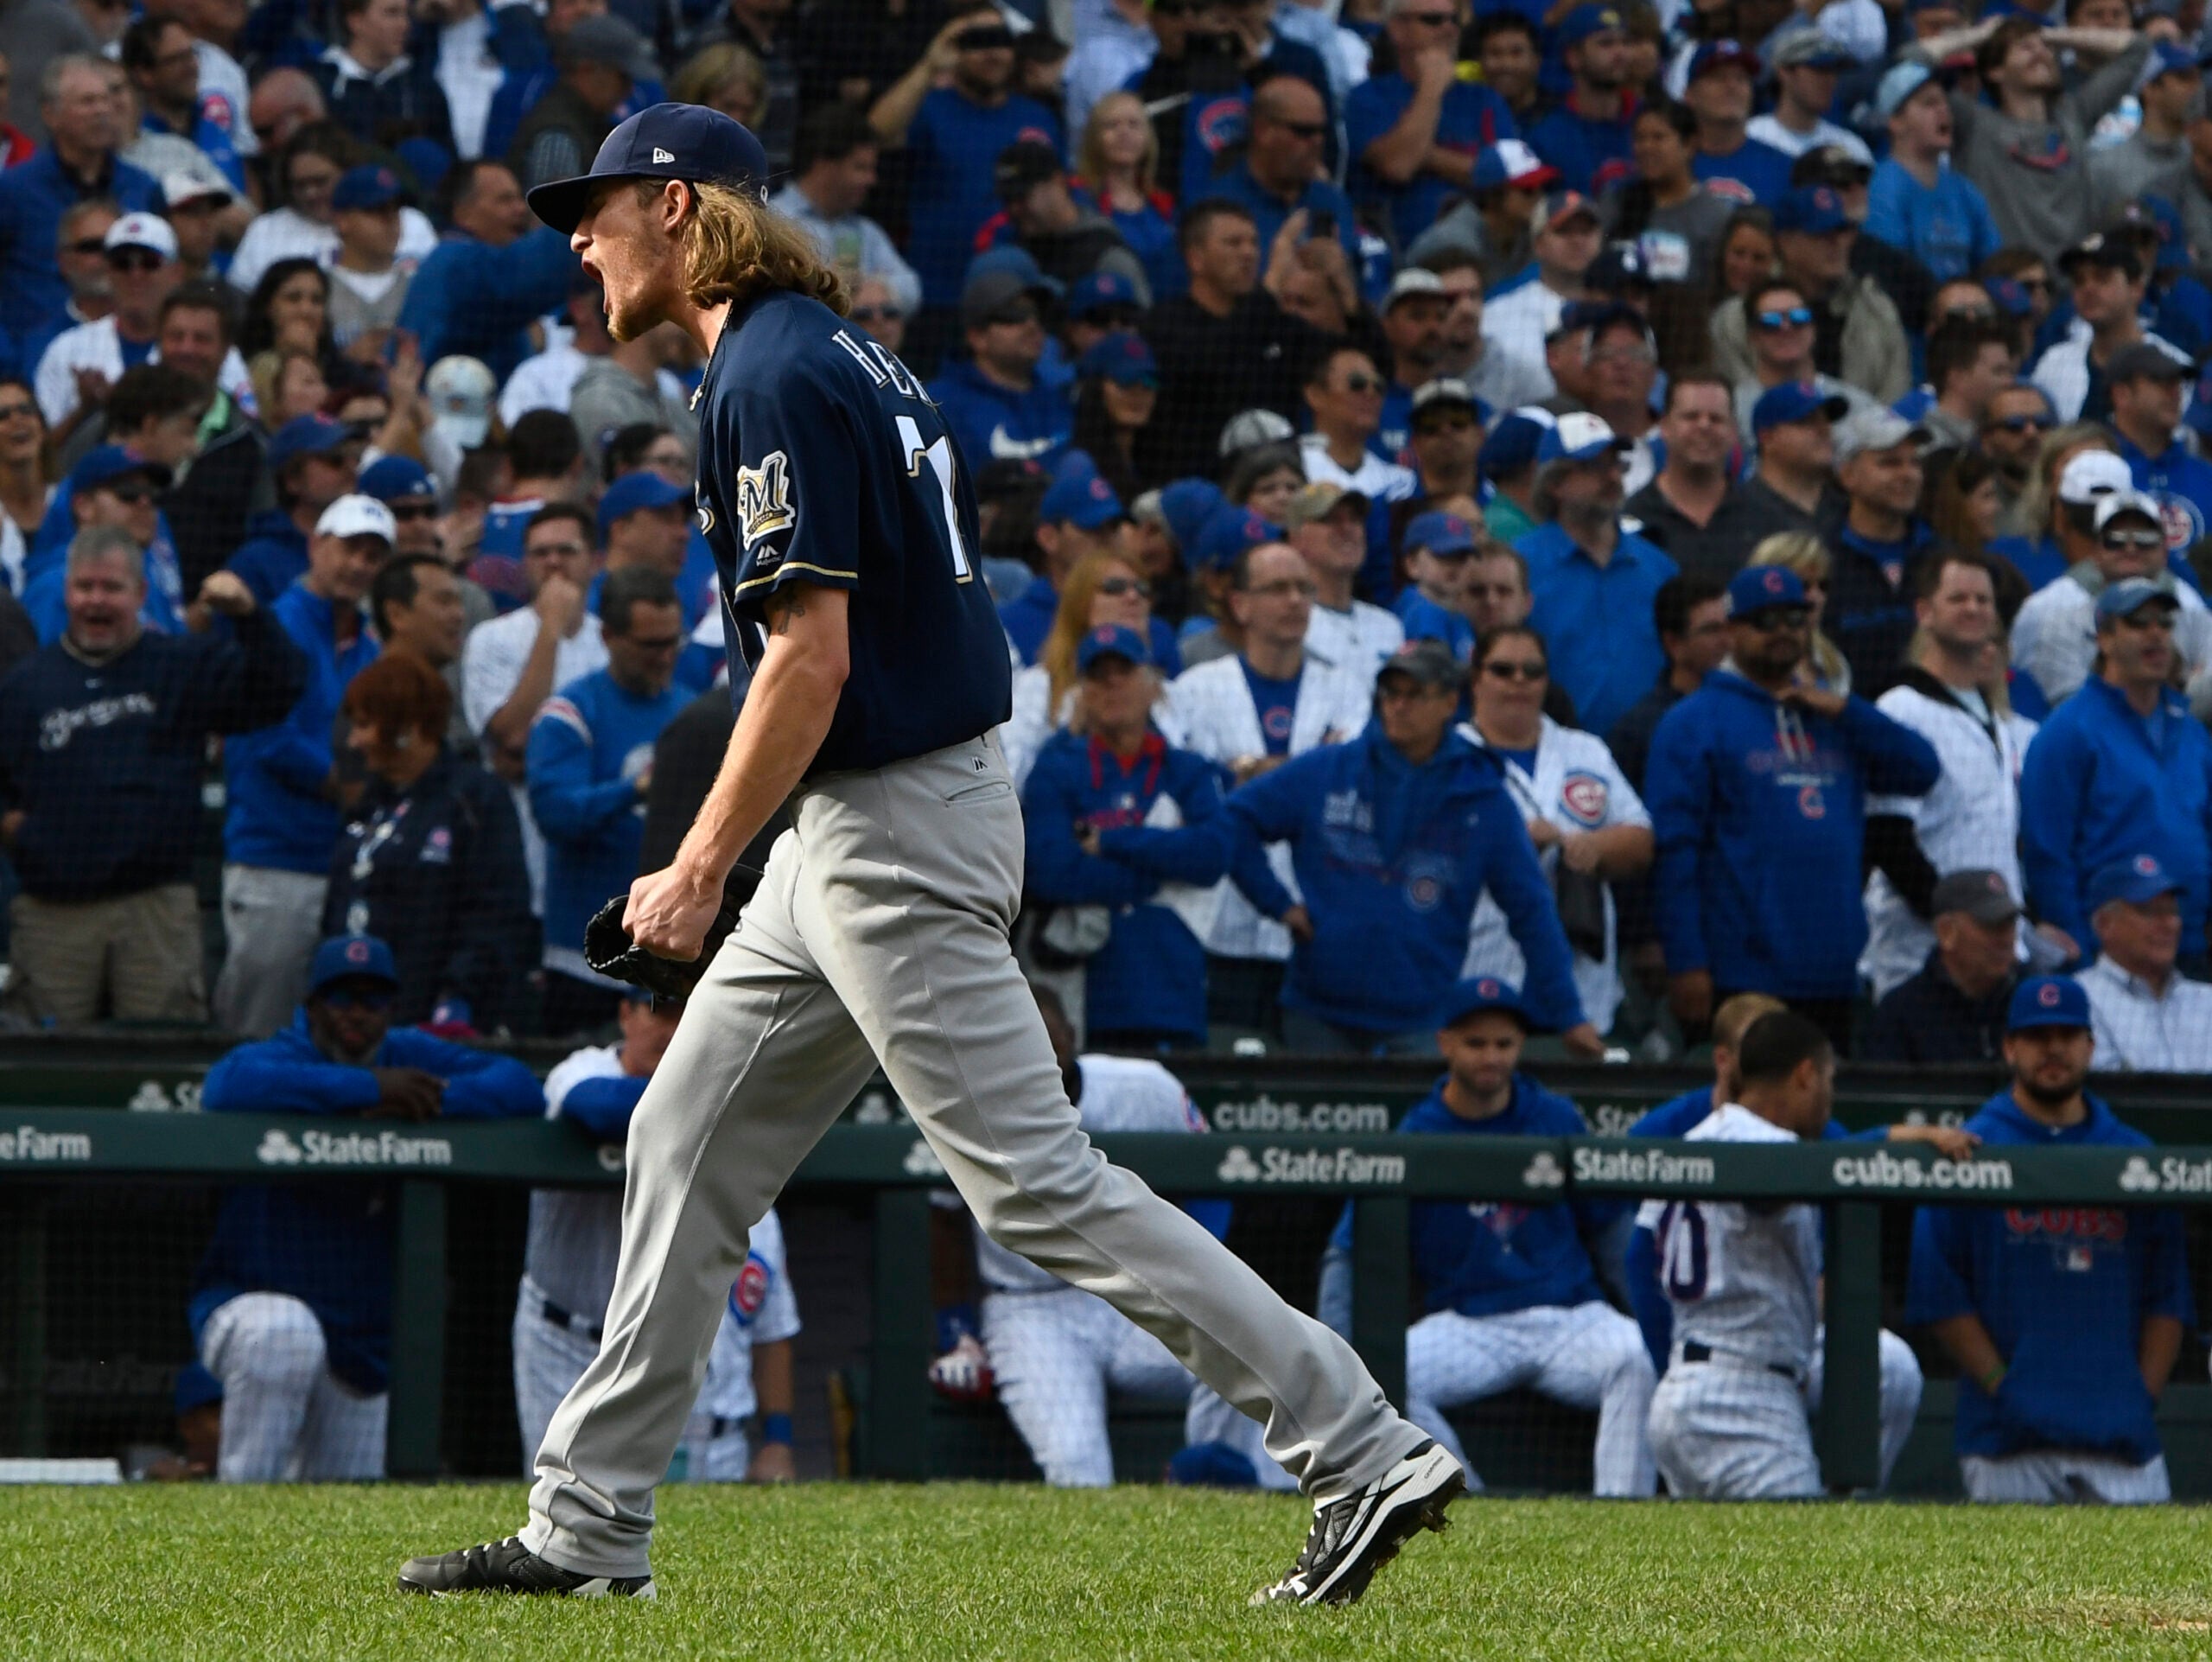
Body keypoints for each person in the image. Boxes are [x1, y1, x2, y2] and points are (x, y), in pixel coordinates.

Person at [403, 105, 1461, 1609]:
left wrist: (699, 863)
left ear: (683, 208)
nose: (579, 235)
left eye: (603, 205)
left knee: (1034, 1185)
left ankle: (1355, 1440)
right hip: (875, 814)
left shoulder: (764, 368)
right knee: (682, 1135)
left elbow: (810, 661)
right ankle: (590, 1523)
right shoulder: (831, 347)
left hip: (893, 815)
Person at [1107, 638, 1599, 1054]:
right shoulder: (1329, 770)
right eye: (1390, 693)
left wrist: (1568, 1014)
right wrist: (1278, 904)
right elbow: (1232, 821)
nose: (1398, 705)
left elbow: (1532, 911)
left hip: (1421, 1016)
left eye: (1414, 694)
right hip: (1317, 1009)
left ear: (1450, 702)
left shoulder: (1482, 797)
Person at [192, 934, 541, 1482]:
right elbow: (225, 1085)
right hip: (250, 1307)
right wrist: (364, 1088)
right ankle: (235, 1518)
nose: (357, 1013)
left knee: (345, 1516)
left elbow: (519, 1087)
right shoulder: (287, 1053)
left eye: (373, 1000)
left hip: (361, 1344)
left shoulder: (409, 1055)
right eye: (342, 999)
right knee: (286, 1333)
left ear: (391, 1010)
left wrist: (425, 1098)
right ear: (312, 1007)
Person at [1325, 977, 1655, 1495]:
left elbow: (1613, 1228)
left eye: (1504, 1044)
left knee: (1637, 1357)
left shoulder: (1554, 1115)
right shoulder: (1420, 1132)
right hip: (1470, 1325)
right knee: (1382, 1383)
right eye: (1476, 1043)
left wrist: (1647, 1315)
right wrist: (1335, 1354)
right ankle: (1470, 1509)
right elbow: (1348, 1250)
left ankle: (1622, 1513)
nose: (1492, 1057)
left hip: (1567, 1317)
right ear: (1445, 1044)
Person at [959, 984, 1277, 1487]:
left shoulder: (1142, 1086)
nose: (1037, 1049)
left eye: (1047, 1035)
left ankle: (1207, 1486)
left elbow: (1214, 1178)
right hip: (1033, 1308)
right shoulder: (964, 1106)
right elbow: (937, 1221)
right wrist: (953, 1330)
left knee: (1243, 1345)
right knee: (1077, 1466)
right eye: (1020, 1037)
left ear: (1070, 1035)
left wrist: (1194, 1277)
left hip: (1136, 1289)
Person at [1905, 975, 2191, 1504]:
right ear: (2011, 1047)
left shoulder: (2133, 1153)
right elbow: (1938, 1290)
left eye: (2066, 1035)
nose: (2054, 1049)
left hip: (2123, 1447)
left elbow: (2168, 1296)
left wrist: (2140, 1395)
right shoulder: (1971, 1149)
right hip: (2008, 1446)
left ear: (2091, 1045)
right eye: (2038, 1037)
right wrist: (2002, 1385)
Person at [0, 545, 296, 1024]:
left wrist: (249, 616)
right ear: (66, 593)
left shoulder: (180, 666)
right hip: (53, 915)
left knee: (160, 1065)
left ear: (140, 594)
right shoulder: (25, 686)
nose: (97, 601)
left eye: (112, 588)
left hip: (155, 909)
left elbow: (278, 689)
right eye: (85, 587)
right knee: (45, 1067)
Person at [1647, 565, 1941, 1047]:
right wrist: (1688, 963)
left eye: (1795, 619)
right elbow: (1675, 852)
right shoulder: (1693, 722)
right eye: (1765, 621)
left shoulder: (1831, 718)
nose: (1782, 632)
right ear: (1732, 631)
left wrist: (1845, 709)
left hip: (1832, 970)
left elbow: (1922, 770)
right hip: (1742, 973)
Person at [519, 989, 801, 1482]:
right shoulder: (585, 1069)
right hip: (566, 1343)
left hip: (669, 1357)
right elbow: (599, 1110)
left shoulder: (747, 1184)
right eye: (660, 1011)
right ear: (625, 1013)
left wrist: (778, 1440)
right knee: (562, 1511)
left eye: (688, 1016)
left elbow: (773, 1330)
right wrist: (722, 1095)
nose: (673, 1030)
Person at [1642, 1011, 1925, 1498]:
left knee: (1890, 1366)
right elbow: (1773, 1181)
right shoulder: (1760, 1143)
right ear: (1805, 1075)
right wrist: (1885, 1142)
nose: (1828, 1096)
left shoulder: (1695, 1139)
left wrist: (1893, 1138)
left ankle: (1846, 1499)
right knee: (1805, 1567)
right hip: (1740, 1396)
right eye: (1828, 1080)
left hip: (1698, 1385)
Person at [1160, 538, 1369, 1028]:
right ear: (1240, 603)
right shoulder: (1195, 689)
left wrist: (1247, 770)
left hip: (1312, 917)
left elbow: (1349, 785)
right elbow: (1188, 794)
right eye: (1277, 588)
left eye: (1303, 588)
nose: (1295, 601)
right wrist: (1306, 767)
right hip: (1214, 919)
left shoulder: (1349, 688)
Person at [216, 492, 390, 1038]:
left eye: (373, 555)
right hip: (275, 859)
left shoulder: (368, 647)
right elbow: (261, 734)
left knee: (334, 1026)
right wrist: (336, 780)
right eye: (348, 549)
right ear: (316, 545)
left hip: (341, 864)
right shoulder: (277, 625)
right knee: (259, 1021)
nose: (359, 565)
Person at [1023, 626, 1241, 1050]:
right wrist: (1158, 871)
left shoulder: (1188, 770)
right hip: (1084, 988)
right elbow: (1048, 870)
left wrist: (1110, 842)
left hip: (1169, 988)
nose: (1112, 685)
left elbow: (1212, 855)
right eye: (1097, 675)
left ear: (1153, 686)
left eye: (1124, 671)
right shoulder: (1056, 769)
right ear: (1082, 691)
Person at [1860, 551, 2046, 1003]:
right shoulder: (1901, 708)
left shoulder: (2000, 721)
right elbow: (1888, 837)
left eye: (1983, 600)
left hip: (1999, 954)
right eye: (1957, 598)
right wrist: (1953, 921)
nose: (1973, 609)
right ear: (1925, 612)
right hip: (1919, 956)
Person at [1461, 624, 1652, 1039]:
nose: (1519, 681)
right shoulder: (1448, 755)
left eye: (1532, 671)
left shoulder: (1585, 750)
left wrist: (1592, 845)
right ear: (1476, 678)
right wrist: (1511, 842)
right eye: (1503, 670)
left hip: (1578, 964)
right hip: (1480, 958)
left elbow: (1641, 838)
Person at [525, 564, 690, 1038]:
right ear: (609, 636)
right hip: (583, 960)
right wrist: (634, 791)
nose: (664, 657)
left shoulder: (690, 710)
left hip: (665, 956)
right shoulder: (571, 713)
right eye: (649, 646)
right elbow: (556, 812)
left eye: (671, 642)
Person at [324, 651, 528, 1030]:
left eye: (365, 725)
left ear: (408, 727)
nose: (354, 741)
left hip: (432, 1020)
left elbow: (496, 912)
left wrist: (458, 997)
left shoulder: (475, 800)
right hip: (354, 1020)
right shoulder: (368, 805)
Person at [2020, 576, 2212, 966]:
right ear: (2104, 639)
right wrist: (2080, 952)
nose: (2156, 635)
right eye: (2139, 623)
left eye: (2164, 623)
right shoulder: (2068, 731)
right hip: (2110, 955)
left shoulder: (2189, 729)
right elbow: (2047, 853)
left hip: (2192, 947)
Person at [1917, 15, 2148, 264]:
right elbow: (1912, 61)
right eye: (2025, 48)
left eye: (2046, 49)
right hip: (2007, 283)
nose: (2041, 53)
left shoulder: (2074, 116)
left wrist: (2054, 34)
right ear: (1994, 71)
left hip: (2073, 284)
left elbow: (2139, 48)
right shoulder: (1974, 124)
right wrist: (1983, 34)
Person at [1137, 201, 1325, 484]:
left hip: (1282, 495)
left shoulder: (1273, 323)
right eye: (1233, 243)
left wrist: (1346, 295)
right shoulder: (1164, 325)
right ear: (1195, 259)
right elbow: (1213, 366)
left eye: (1253, 243)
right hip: (1196, 493)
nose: (1249, 253)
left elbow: (1362, 362)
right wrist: (1272, 283)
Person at [1518, 412, 1678, 742]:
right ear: (1554, 483)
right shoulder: (1521, 566)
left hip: (1653, 749)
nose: (1611, 477)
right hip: (1556, 749)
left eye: (1615, 464)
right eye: (1592, 467)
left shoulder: (1657, 567)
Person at [0, 54, 160, 350]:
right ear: (51, 115)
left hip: (127, 349)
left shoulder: (142, 187)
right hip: (32, 354)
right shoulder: (12, 191)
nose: (101, 110)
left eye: (106, 99)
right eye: (87, 102)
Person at [1346, 0, 1516, 254]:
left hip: (1482, 252)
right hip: (1398, 254)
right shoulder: (1368, 96)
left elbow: (1510, 175)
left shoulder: (1485, 99)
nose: (1449, 29)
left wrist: (1424, 154)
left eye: (1454, 21)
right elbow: (1399, 166)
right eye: (1433, 20)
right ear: (1397, 29)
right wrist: (1431, 89)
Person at [2012, 492, 2212, 708]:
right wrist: (2180, 691)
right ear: (2096, 553)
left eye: (2145, 539)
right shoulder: (2061, 622)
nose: (2131, 549)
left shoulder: (2191, 612)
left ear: (2164, 552)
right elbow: (2078, 711)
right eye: (2115, 540)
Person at [1622, 370, 1789, 582]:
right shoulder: (1633, 520)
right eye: (1691, 417)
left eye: (1716, 419)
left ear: (1733, 431)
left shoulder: (1767, 521)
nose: (1704, 426)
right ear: (1664, 427)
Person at [769, 103, 919, 320]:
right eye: (861, 168)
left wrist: (879, 289)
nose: (871, 180)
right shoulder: (771, 219)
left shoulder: (865, 231)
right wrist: (826, 287)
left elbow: (911, 287)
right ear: (824, 166)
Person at [1824, 408, 1935, 696]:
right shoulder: (1821, 561)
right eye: (1889, 463)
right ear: (1848, 475)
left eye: (1915, 462)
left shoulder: (1942, 557)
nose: (1907, 474)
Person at [1862, 871, 2027, 1065]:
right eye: (1991, 926)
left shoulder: (2028, 1002)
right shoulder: (1903, 1014)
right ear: (1946, 931)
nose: (2006, 939)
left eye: (2010, 924)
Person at [1863, 62, 1999, 286]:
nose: (1944, 109)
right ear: (1896, 122)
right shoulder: (1881, 188)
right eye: (1929, 103)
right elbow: (1891, 275)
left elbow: (1994, 265)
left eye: (1944, 101)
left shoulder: (1964, 189)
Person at [2032, 236, 2191, 425]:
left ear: (2136, 289)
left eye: (2102, 277)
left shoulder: (2175, 367)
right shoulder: (2053, 363)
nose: (2088, 289)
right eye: (2079, 281)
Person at [2076, 855, 2212, 1073]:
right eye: (2150, 912)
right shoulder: (2081, 997)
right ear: (2104, 924)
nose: (2169, 924)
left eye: (2173, 912)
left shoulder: (2206, 1001)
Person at [930, 267, 1071, 475]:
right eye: (1014, 316)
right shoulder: (939, 405)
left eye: (1037, 315)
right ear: (977, 337)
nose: (1032, 325)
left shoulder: (1058, 399)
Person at [226, 412, 359, 606]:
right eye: (334, 460)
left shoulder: (370, 550)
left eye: (355, 457)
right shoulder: (256, 563)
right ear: (292, 480)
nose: (351, 469)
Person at [2105, 342, 2212, 566]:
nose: (2175, 393)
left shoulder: (2205, 475)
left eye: (2177, 383)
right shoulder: (2099, 473)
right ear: (2122, 395)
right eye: (2160, 382)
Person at [1288, 481, 1400, 681]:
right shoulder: (1291, 621)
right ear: (1296, 538)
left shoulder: (1387, 625)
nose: (1347, 529)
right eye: (1330, 520)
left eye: (1355, 519)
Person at [1526, 4, 1634, 197]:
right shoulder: (1547, 137)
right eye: (1606, 44)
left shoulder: (1648, 122)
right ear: (1574, 57)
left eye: (1625, 43)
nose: (1620, 52)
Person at [1745, 33, 1871, 164]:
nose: (1830, 80)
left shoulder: (1851, 148)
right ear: (1784, 72)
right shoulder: (1751, 136)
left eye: (1834, 71)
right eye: (1820, 69)